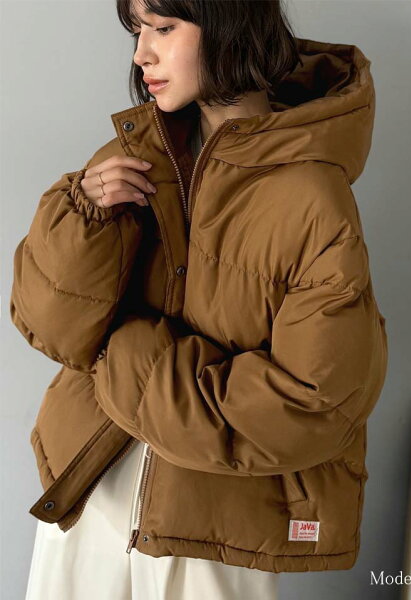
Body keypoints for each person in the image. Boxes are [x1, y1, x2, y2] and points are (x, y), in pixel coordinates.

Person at [12, 0, 388, 598]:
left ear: (230, 24)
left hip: (217, 527)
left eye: (164, 28)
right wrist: (83, 217)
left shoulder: (312, 199)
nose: (142, 54)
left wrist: (127, 356)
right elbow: (51, 330)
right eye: (138, 31)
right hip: (90, 491)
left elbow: (313, 403)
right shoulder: (129, 159)